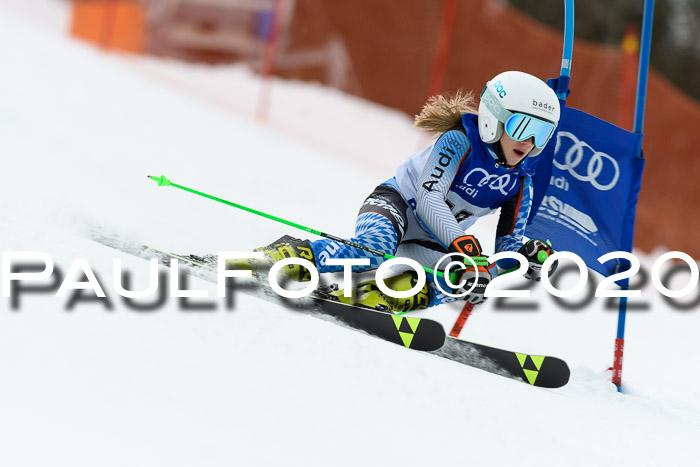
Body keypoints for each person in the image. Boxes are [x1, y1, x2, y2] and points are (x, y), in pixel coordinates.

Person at [235, 71, 560, 312]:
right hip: (395, 208)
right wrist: (466, 245)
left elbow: (507, 249)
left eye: (541, 133)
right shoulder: (460, 141)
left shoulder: (521, 182)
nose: (529, 142)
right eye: (522, 127)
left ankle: (376, 299)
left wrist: (527, 259)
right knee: (371, 252)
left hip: (432, 244)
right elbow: (430, 200)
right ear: (495, 119)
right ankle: (279, 258)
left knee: (469, 274)